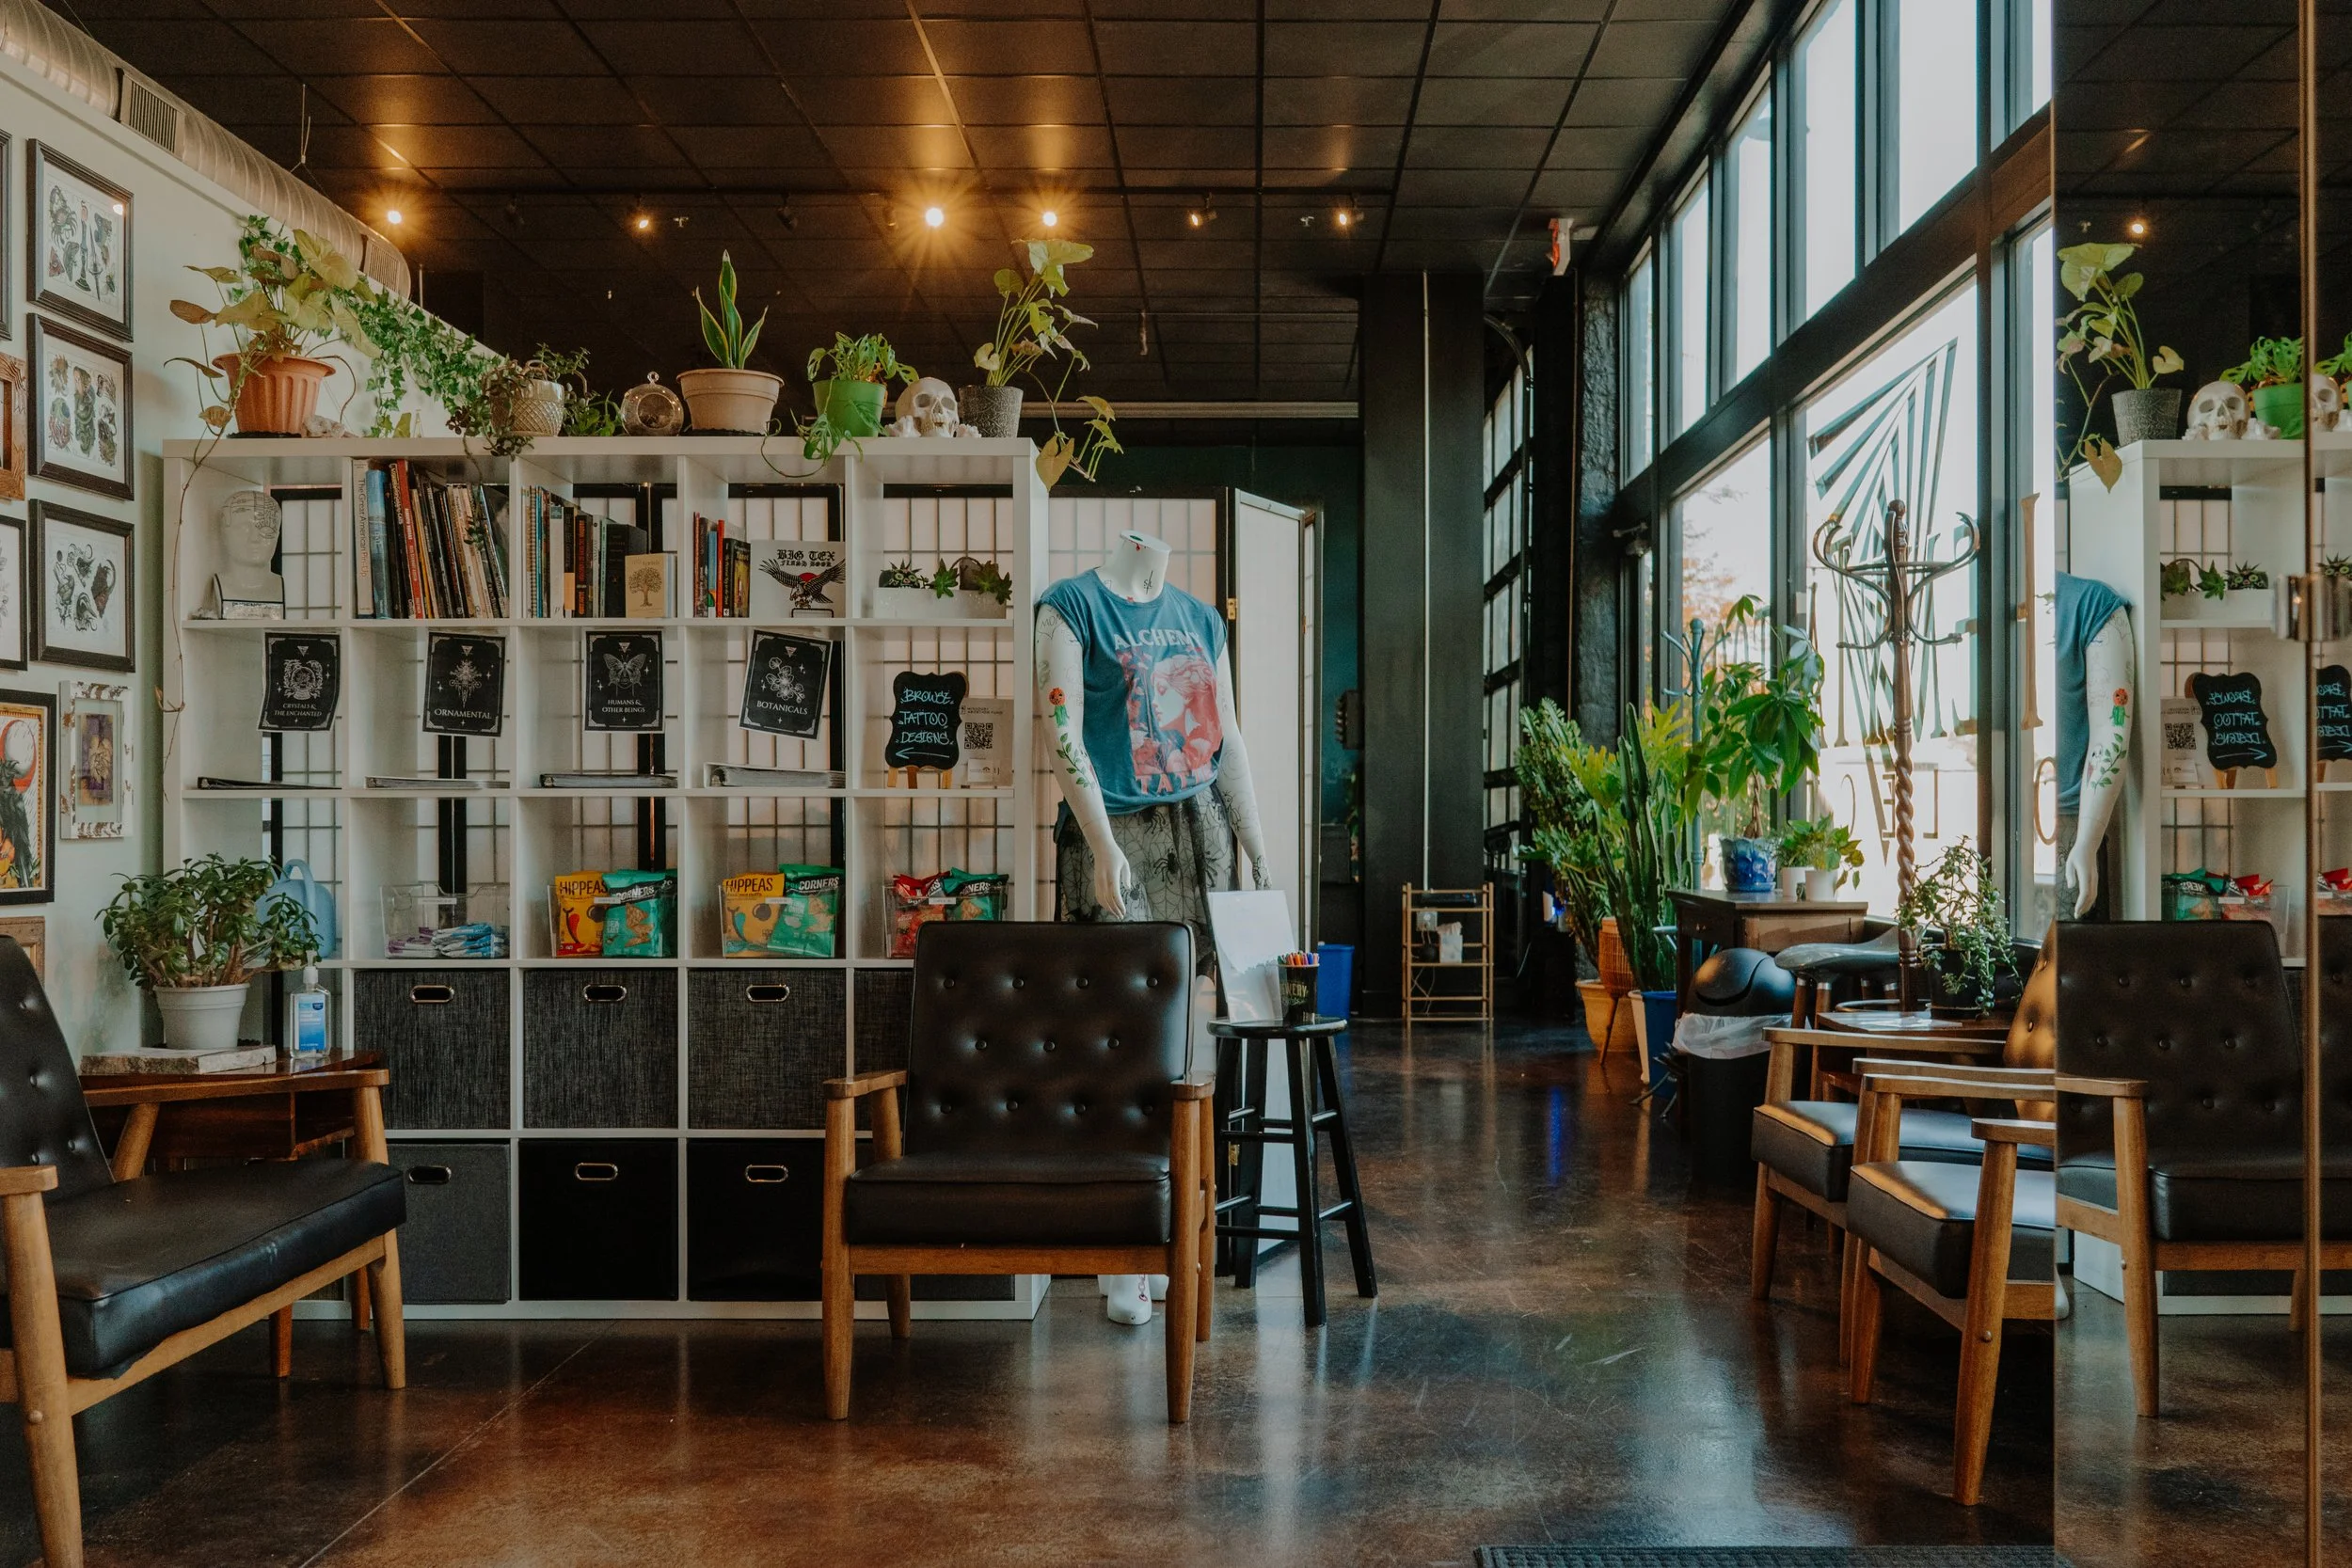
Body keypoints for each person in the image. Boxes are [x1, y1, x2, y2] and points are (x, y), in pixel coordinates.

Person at [1036, 529, 1271, 1325]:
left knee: (1186, 1047)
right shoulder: (1072, 607)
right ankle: (1120, 1258)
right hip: (1118, 839)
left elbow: (1226, 737)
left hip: (1198, 839)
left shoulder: (1203, 621)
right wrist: (1101, 844)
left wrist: (1256, 848)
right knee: (1115, 1042)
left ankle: (1173, 1232)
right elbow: (1061, 731)